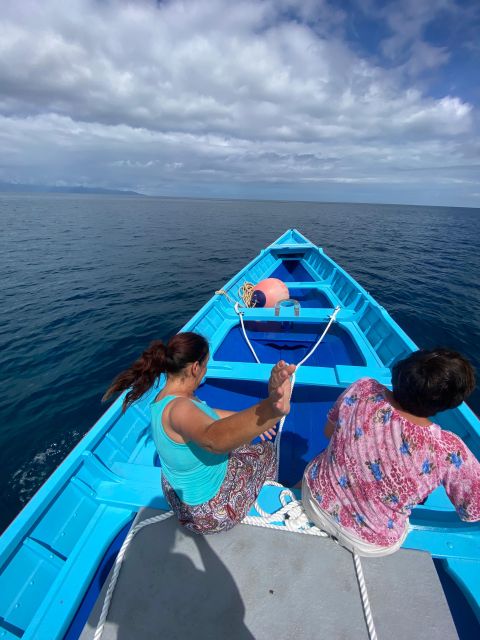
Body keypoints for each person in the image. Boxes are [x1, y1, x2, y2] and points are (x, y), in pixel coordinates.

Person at [103, 331, 295, 534]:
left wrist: (251, 420)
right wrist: (269, 410)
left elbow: (208, 414)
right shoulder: (179, 409)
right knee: (266, 451)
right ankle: (268, 489)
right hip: (208, 514)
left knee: (242, 443)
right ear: (195, 368)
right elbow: (214, 440)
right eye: (205, 365)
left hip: (181, 501)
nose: (205, 371)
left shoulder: (164, 398)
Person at [302, 348, 480, 557]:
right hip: (367, 543)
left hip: (314, 499)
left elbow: (327, 432)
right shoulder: (450, 450)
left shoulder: (363, 388)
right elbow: (472, 509)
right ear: (450, 403)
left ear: (402, 371)